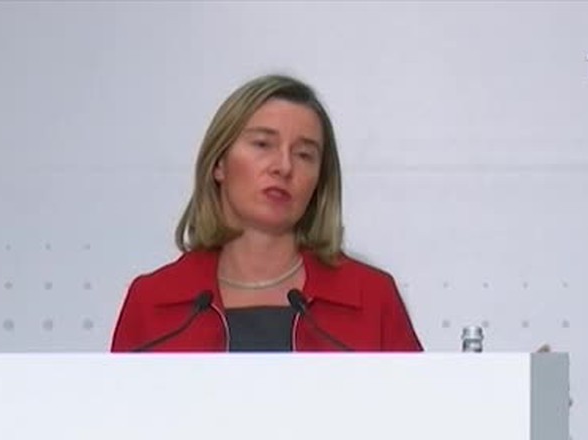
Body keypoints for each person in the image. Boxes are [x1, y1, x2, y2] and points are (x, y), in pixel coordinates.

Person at [110, 74, 423, 353]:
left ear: (319, 181)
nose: (284, 167)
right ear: (219, 163)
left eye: (304, 155)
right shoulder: (153, 300)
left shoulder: (371, 296)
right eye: (262, 144)